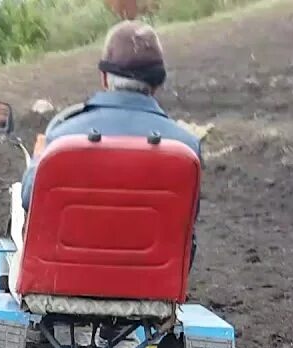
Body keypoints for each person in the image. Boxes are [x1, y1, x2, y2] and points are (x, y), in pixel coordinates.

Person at [20, 20, 201, 210]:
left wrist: (38, 159)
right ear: (157, 84)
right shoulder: (186, 147)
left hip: (75, 240)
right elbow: (189, 216)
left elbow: (28, 199)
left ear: (104, 78)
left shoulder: (61, 137)